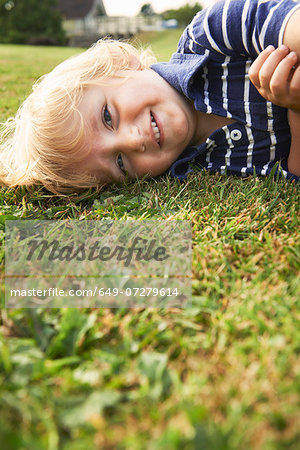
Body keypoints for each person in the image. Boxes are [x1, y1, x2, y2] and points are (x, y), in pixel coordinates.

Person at [0, 0, 299, 195]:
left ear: (119, 61)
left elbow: (289, 23)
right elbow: (293, 178)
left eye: (108, 117)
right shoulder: (205, 168)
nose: (132, 141)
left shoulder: (211, 38)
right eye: (119, 162)